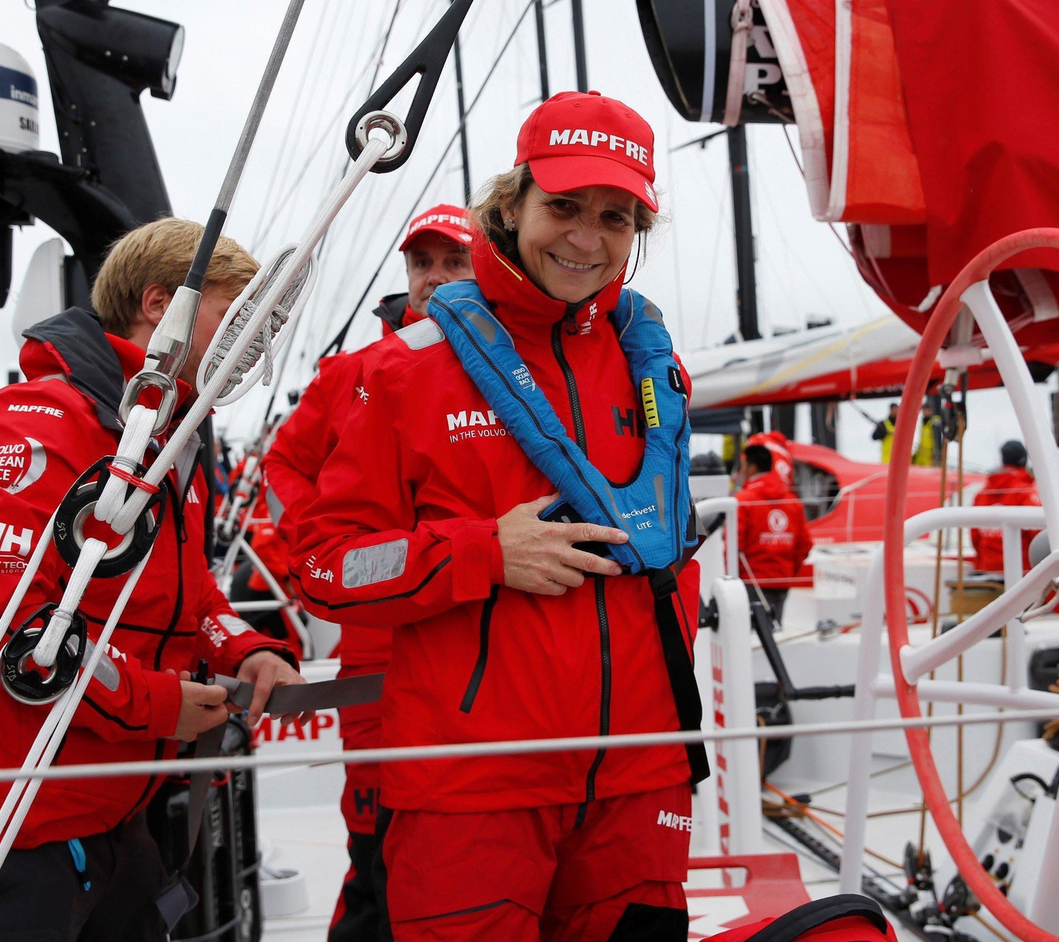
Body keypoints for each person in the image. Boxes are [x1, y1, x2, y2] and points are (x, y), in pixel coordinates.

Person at [295, 91, 701, 941]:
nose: (587, 239)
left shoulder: (653, 367)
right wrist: (483, 552)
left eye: (615, 218)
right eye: (563, 208)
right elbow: (324, 566)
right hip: (469, 794)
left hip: (640, 782)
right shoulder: (406, 372)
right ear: (509, 204)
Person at [0, 218, 305, 942]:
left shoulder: (168, 438)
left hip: (113, 823)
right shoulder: (37, 426)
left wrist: (246, 648)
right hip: (8, 836)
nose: (252, 344)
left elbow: (188, 595)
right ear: (160, 306)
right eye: (234, 317)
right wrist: (154, 705)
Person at [260, 202, 473, 942]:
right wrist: (316, 542)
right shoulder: (352, 374)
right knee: (378, 833)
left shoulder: (511, 370)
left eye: (455, 263)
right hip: (382, 633)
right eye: (424, 264)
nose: (435, 279)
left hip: (480, 628)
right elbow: (285, 463)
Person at [734, 445, 812, 625]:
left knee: (751, 642)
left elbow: (734, 546)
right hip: (781, 581)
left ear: (752, 467)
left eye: (743, 465)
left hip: (751, 582)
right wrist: (787, 572)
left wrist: (735, 578)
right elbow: (805, 545)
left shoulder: (743, 501)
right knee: (774, 637)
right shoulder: (792, 501)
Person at [969, 440, 1040, 575]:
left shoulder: (982, 494)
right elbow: (1038, 537)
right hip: (1023, 574)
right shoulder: (1027, 493)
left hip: (988, 573)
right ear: (1024, 461)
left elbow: (975, 538)